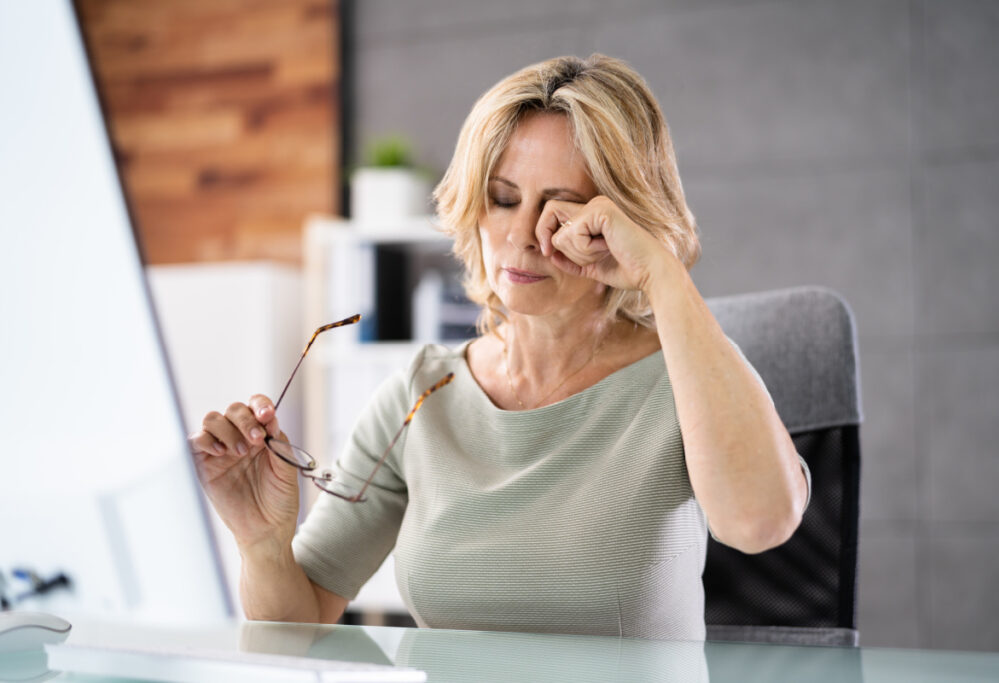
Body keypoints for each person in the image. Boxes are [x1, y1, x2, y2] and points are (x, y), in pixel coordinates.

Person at [190, 54, 810, 640]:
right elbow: (297, 630)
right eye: (503, 198)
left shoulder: (687, 374)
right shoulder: (421, 394)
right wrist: (262, 544)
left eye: (561, 210)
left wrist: (662, 273)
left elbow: (759, 522)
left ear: (622, 223)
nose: (521, 237)